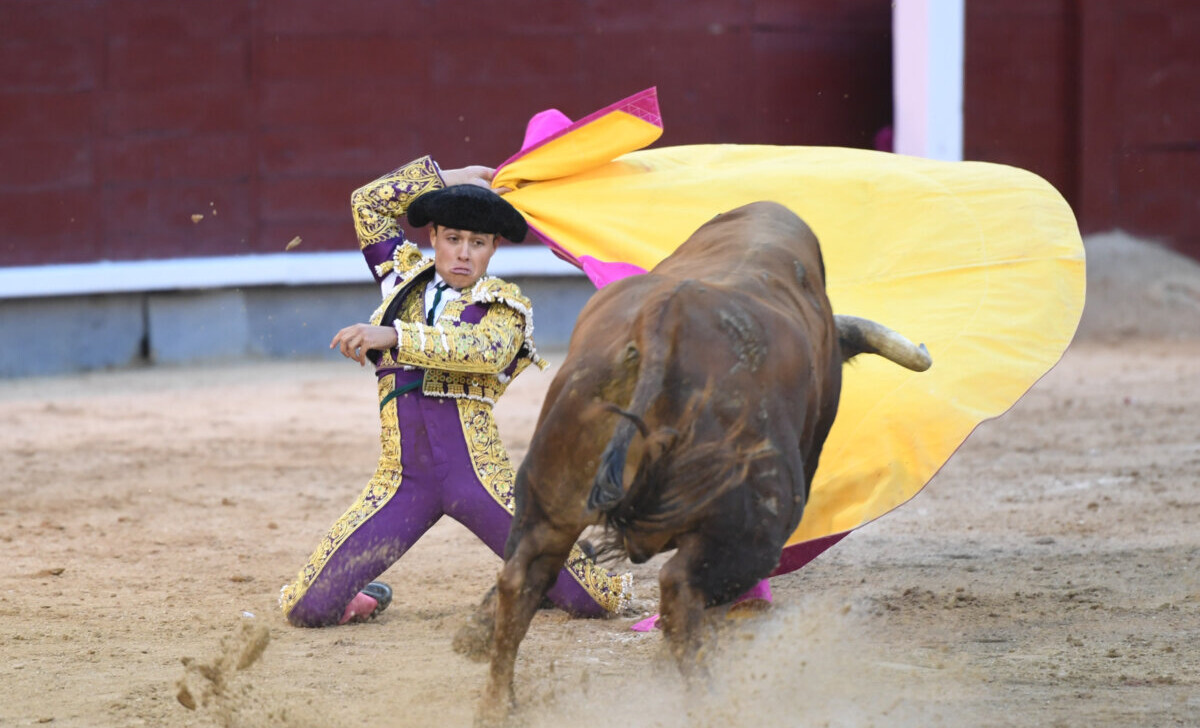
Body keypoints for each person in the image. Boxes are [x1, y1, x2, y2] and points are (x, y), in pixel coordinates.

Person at [279, 155, 630, 627]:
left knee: (595, 601)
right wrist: (451, 178)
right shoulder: (401, 280)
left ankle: (545, 573)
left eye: (478, 243)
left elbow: (481, 351)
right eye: (453, 239)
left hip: (480, 482)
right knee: (307, 609)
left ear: (493, 249)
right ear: (434, 238)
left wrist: (396, 336)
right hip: (402, 482)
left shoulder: (504, 307)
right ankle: (361, 593)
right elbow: (367, 205)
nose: (464, 253)